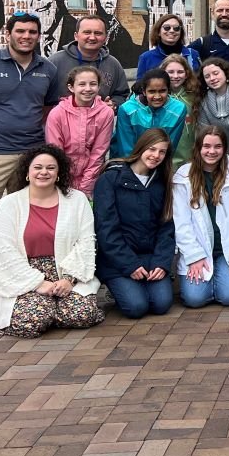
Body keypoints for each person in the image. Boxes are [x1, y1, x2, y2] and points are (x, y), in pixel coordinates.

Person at [0, 12, 60, 308]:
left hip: (30, 156)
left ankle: (21, 280)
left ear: (38, 35)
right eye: (21, 31)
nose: (26, 36)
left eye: (32, 32)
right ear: (8, 33)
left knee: (23, 221)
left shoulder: (48, 70)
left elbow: (46, 110)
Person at [0, 144, 102, 337]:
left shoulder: (77, 200)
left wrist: (69, 279)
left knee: (83, 314)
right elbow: (3, 251)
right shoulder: (9, 204)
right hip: (23, 276)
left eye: (50, 168)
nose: (44, 172)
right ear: (28, 172)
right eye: (37, 167)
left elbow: (86, 241)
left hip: (64, 272)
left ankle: (51, 310)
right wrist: (38, 283)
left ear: (59, 173)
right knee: (31, 321)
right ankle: (47, 312)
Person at [92, 129, 176, 318]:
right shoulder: (111, 178)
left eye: (162, 152)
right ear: (141, 147)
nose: (156, 156)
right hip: (119, 260)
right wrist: (129, 264)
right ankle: (116, 287)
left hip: (150, 257)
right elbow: (106, 228)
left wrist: (161, 263)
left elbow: (166, 228)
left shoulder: (162, 182)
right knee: (136, 307)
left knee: (161, 304)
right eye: (152, 149)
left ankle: (143, 284)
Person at [172, 125, 229, 307]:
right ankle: (209, 281)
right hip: (199, 248)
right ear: (198, 148)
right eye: (206, 146)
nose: (212, 151)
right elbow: (181, 223)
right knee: (195, 299)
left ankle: (221, 278)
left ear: (225, 148)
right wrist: (194, 256)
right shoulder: (183, 177)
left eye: (217, 146)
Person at [44, 65, 115, 197]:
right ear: (71, 87)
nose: (87, 89)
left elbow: (99, 152)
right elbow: (56, 152)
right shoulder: (57, 113)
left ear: (99, 87)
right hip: (62, 176)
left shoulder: (106, 113)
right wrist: (64, 183)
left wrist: (85, 187)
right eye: (82, 84)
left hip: (90, 177)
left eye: (93, 84)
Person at [49, 16, 129, 107]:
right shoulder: (55, 62)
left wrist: (114, 104)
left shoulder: (113, 64)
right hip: (63, 119)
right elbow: (42, 96)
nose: (92, 37)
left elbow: (122, 95)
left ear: (105, 37)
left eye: (98, 33)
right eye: (87, 32)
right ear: (76, 36)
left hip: (100, 119)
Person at [110, 69, 187, 159]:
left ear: (168, 90)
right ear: (144, 91)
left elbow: (170, 147)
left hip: (158, 161)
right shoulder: (127, 109)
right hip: (127, 161)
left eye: (162, 91)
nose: (157, 96)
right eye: (152, 91)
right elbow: (126, 148)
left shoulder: (178, 110)